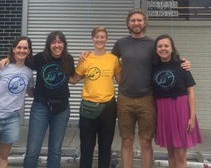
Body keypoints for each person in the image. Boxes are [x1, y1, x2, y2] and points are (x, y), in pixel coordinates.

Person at [111, 9, 191, 168]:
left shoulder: (152, 44)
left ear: (145, 23)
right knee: (126, 141)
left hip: (147, 99)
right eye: (133, 20)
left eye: (139, 20)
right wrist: (122, 82)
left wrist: (183, 61)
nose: (136, 23)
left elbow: (166, 58)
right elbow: (110, 64)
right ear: (128, 23)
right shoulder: (121, 44)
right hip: (125, 99)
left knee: (146, 141)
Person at [0, 31, 75, 168]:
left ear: (64, 44)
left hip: (62, 109)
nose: (57, 45)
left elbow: (74, 78)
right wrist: (8, 59)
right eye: (53, 42)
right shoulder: (40, 58)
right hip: (41, 107)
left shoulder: (68, 59)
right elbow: (20, 59)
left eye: (60, 42)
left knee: (55, 150)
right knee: (33, 149)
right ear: (49, 45)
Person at [0, 36, 34, 168]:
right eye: (19, 47)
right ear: (13, 49)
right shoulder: (1, 67)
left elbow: (31, 92)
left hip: (12, 119)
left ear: (29, 51)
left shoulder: (28, 72)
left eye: (25, 48)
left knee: (3, 156)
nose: (22, 50)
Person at [69, 27, 121, 168]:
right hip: (88, 107)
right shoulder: (85, 59)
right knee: (87, 145)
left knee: (105, 146)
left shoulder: (114, 59)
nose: (100, 40)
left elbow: (122, 81)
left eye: (102, 37)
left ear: (106, 39)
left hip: (108, 107)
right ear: (92, 39)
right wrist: (60, 64)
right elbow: (73, 80)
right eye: (97, 37)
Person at [152, 34, 202, 168]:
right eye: (160, 46)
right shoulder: (153, 67)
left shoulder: (181, 65)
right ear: (156, 49)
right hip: (163, 111)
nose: (163, 48)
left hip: (181, 110)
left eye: (166, 46)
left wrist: (191, 117)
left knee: (180, 154)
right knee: (171, 153)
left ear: (172, 48)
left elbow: (190, 91)